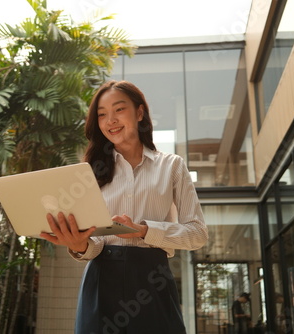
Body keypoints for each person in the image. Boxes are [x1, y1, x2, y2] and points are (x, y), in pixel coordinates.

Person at [40, 80, 208, 334]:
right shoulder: (89, 173)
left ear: (139, 113)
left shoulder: (172, 166)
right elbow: (94, 242)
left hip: (153, 278)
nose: (111, 121)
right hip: (101, 278)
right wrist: (78, 245)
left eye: (119, 110)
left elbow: (197, 234)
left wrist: (142, 231)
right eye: (102, 114)